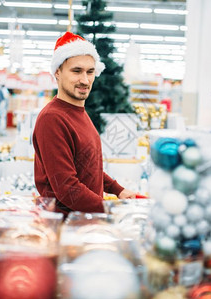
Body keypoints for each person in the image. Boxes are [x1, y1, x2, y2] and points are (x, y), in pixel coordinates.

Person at [33, 31, 137, 216]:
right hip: (66, 225)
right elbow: (68, 190)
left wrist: (118, 190)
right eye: (76, 71)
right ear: (57, 72)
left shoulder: (78, 111)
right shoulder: (53, 119)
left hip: (85, 219)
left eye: (90, 72)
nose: (85, 80)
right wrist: (109, 209)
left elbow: (87, 166)